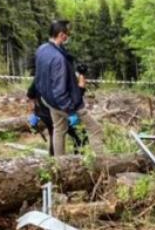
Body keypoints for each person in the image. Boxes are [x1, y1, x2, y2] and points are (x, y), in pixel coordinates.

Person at [33, 19, 106, 156]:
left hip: (49, 101)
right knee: (95, 129)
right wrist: (71, 111)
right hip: (66, 103)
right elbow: (59, 89)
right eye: (67, 33)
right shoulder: (58, 59)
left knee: (59, 129)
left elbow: (38, 78)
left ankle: (60, 164)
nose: (68, 36)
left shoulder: (42, 49)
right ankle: (102, 164)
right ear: (61, 35)